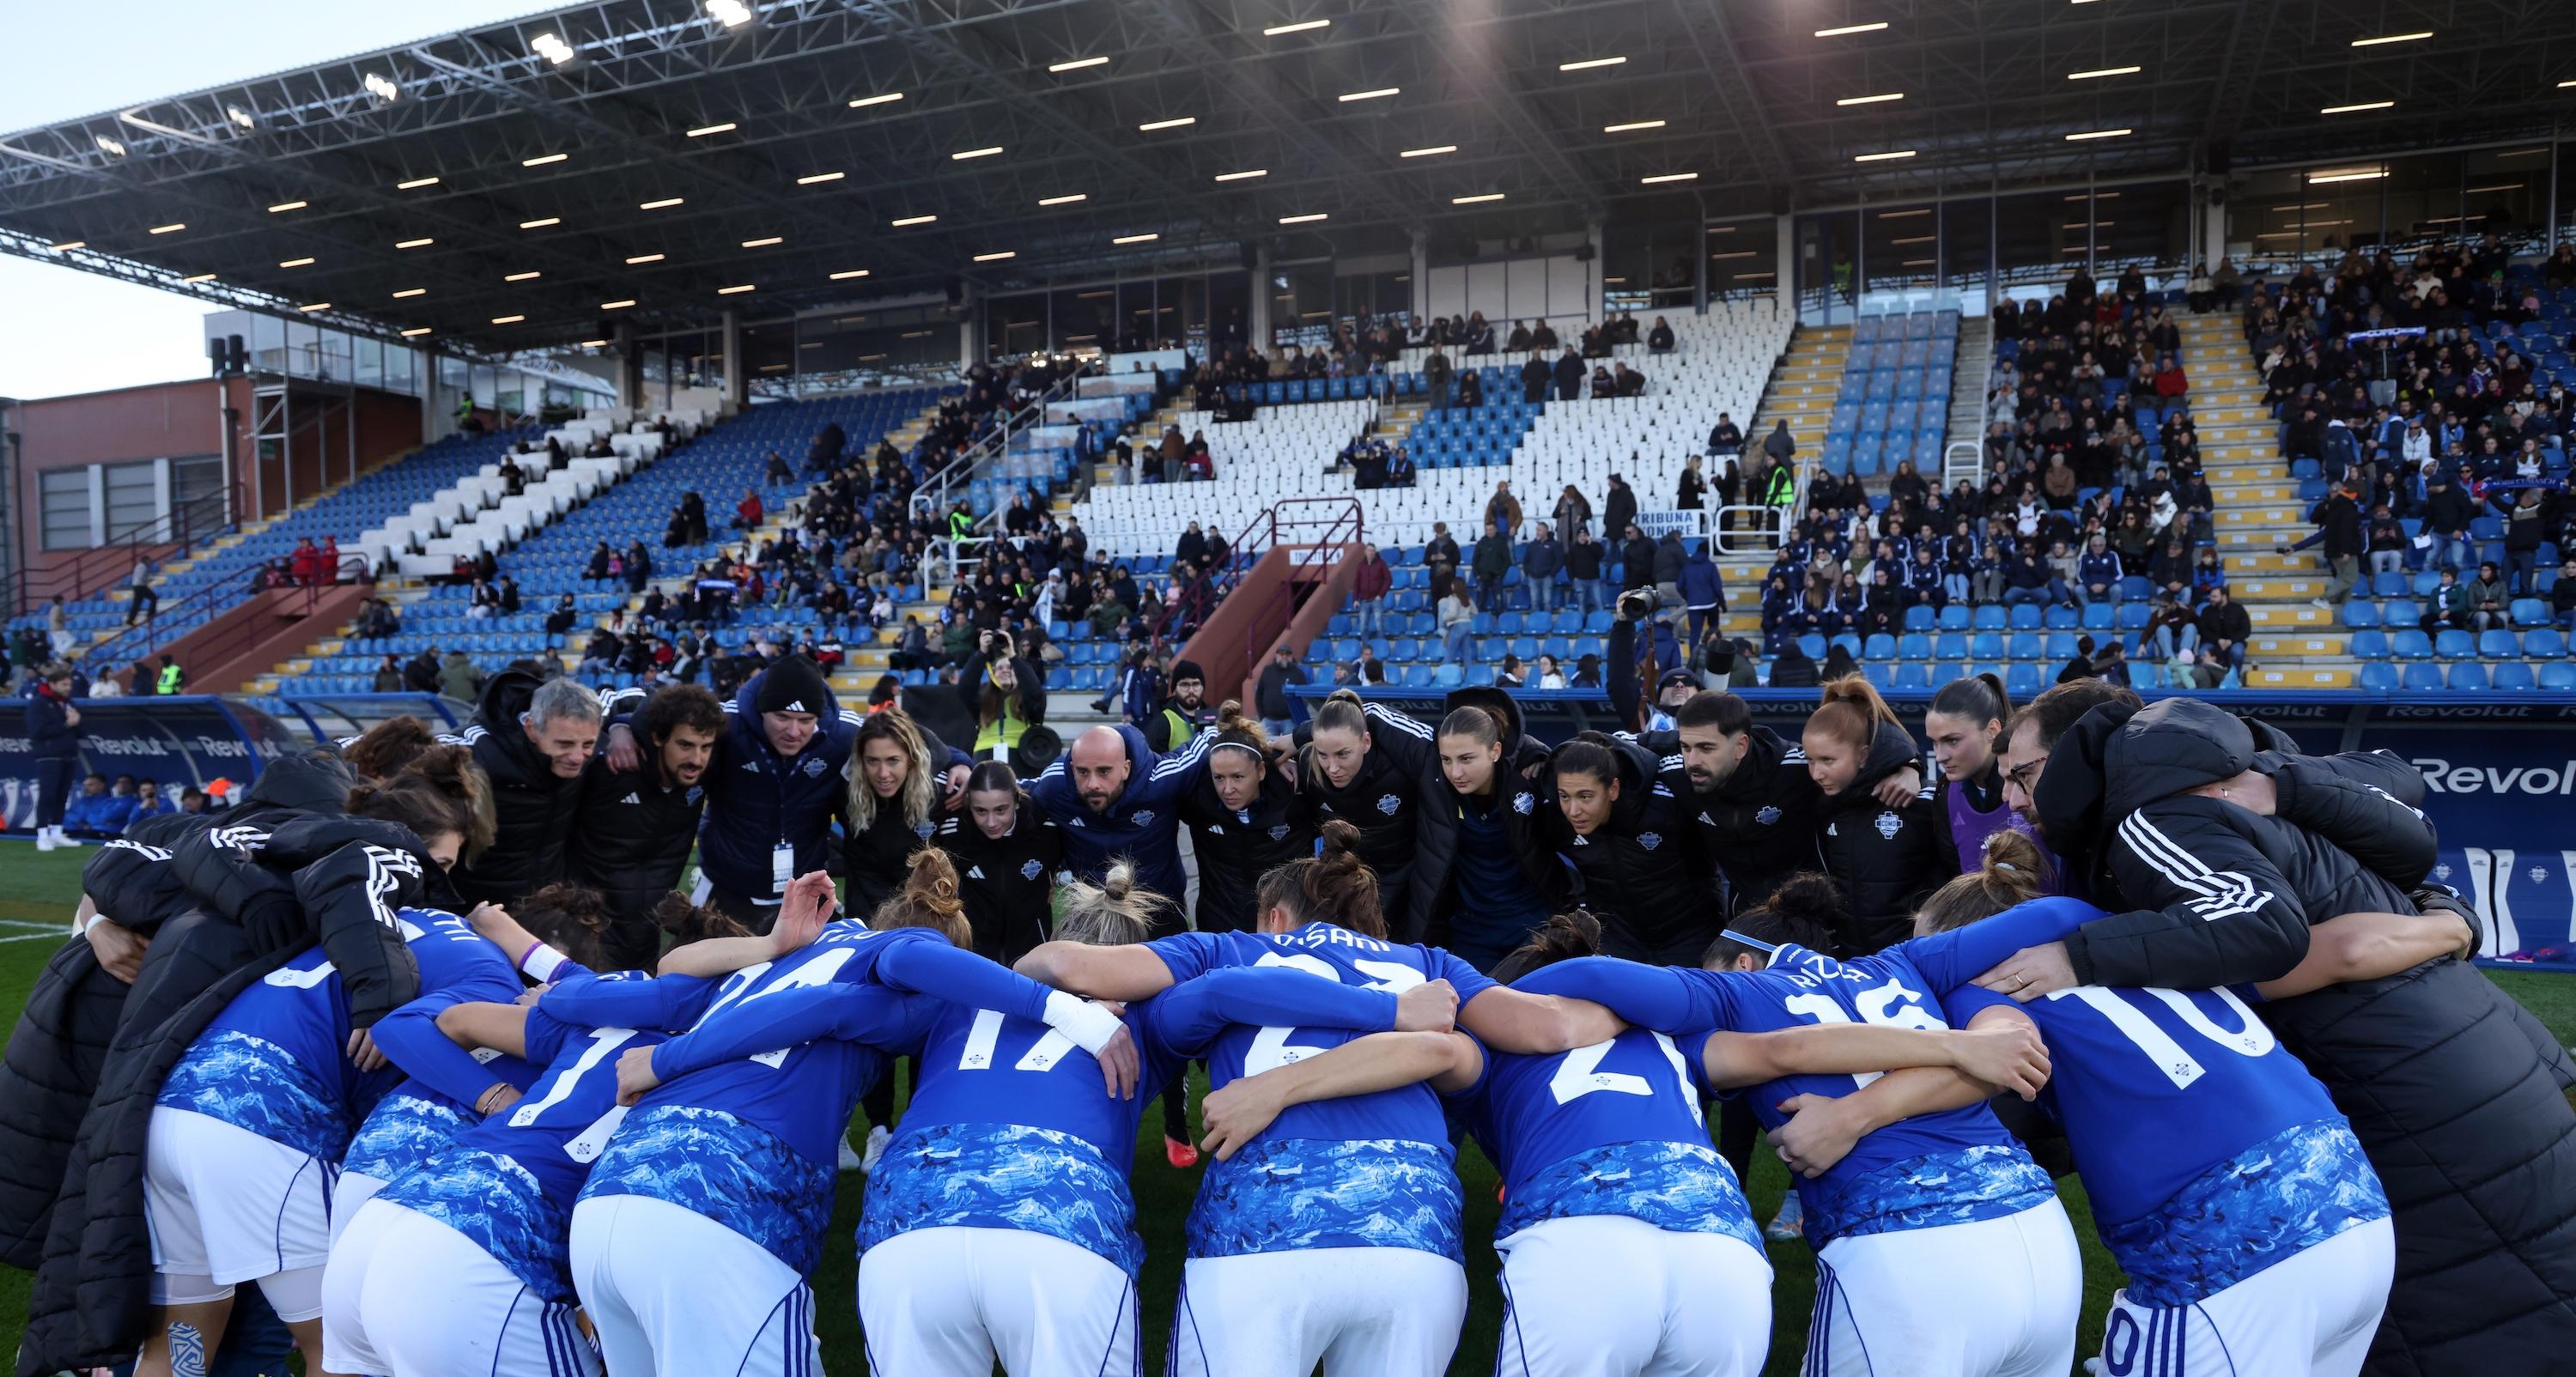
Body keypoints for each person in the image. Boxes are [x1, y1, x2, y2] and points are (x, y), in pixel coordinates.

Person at [1999, 686, 2576, 1372]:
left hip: (2413, 1104)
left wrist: (2078, 956)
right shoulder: (2257, 790)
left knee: (2460, 1325)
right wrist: (2452, 920)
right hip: (2487, 1073)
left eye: (2024, 774)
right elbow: (2393, 857)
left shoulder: (2153, 818)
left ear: (2074, 761)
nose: (2011, 798)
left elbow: (2283, 932)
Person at [565, 856, 1133, 1377]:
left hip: (608, 1199)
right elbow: (850, 993)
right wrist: (1064, 1010)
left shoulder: (783, 956)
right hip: (718, 1202)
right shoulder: (893, 963)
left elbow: (670, 969)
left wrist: (772, 941)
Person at [1896, 835, 2418, 1375]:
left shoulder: (1977, 984)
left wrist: (1851, 1115)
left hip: (2231, 1247)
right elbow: (2339, 952)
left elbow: (2003, 1046)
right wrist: (2449, 927)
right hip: (2357, 1206)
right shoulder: (2148, 947)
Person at [1529, 874, 2080, 1377]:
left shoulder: (1729, 993)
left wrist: (1483, 997)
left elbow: (1589, 974)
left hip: (1908, 1251)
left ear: (1740, 961)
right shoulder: (1906, 963)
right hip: (2043, 1236)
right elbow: (2060, 912)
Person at [115, 753, 492, 1377]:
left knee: (180, 1345)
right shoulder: (480, 964)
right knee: (344, 1350)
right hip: (259, 1131)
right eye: (440, 867)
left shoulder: (321, 919)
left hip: (169, 1115)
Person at [570, 683, 724, 970]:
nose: (696, 759)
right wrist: (618, 726)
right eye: (685, 745)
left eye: (705, 747)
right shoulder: (608, 768)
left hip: (647, 939)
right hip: (588, 935)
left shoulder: (702, 776)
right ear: (657, 737)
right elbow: (601, 699)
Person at [1802, 677, 1958, 955]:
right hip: (1850, 963)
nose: (1816, 773)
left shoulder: (1921, 801)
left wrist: (1910, 766)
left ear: (1863, 755)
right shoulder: (1823, 805)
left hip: (1914, 960)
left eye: (1828, 760)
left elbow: (1953, 878)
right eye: (1810, 760)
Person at [445, 670, 600, 911]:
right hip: (475, 908)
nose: (578, 757)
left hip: (544, 907)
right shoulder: (475, 752)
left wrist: (622, 728)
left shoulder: (583, 745)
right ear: (531, 728)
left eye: (588, 744)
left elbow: (638, 700)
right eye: (564, 744)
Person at [932, 760, 1066, 964]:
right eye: (981, 811)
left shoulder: (1047, 825)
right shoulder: (953, 830)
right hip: (973, 951)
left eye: (1001, 810)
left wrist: (1055, 874)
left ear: (1016, 800)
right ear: (968, 801)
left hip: (1033, 950)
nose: (991, 822)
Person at [1924, 673, 2055, 879]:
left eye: (1952, 740)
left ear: (1992, 730)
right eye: (1934, 742)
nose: (1940, 756)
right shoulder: (1946, 796)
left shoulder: (2038, 783)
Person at [26, 663, 82, 852]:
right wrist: (66, 725)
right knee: (48, 795)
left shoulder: (69, 703)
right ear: (52, 683)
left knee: (62, 796)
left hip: (69, 754)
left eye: (69, 685)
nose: (68, 688)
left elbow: (79, 731)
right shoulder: (39, 703)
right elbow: (37, 731)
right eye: (64, 684)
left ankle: (57, 832)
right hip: (48, 756)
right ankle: (42, 835)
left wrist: (76, 724)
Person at [1254, 644, 1307, 737]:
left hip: (1289, 720)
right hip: (1268, 720)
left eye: (1287, 654)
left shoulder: (1298, 674)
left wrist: (1295, 717)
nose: (1284, 656)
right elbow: (1259, 694)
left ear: (1291, 656)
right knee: (1267, 749)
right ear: (1276, 655)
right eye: (1281, 654)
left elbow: (1305, 697)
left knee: (1291, 749)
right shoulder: (1267, 671)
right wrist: (1262, 717)